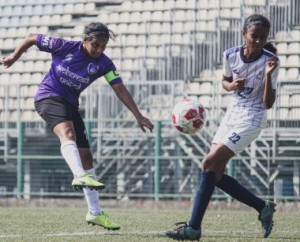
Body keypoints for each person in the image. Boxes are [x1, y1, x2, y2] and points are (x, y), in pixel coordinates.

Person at [2, 22, 154, 230]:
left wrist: (138, 115)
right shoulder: (63, 46)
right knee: (68, 133)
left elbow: (119, 89)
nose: (99, 50)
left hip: (71, 105)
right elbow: (31, 37)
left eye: (103, 46)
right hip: (48, 97)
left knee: (87, 158)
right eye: (96, 45)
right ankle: (79, 175)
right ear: (85, 40)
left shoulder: (104, 64)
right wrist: (13, 57)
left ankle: (95, 213)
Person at [165, 14, 280, 241]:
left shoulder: (271, 61)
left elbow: (267, 103)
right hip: (232, 115)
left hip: (253, 118)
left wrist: (267, 76)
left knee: (208, 163)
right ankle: (262, 207)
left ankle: (193, 229)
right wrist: (231, 85)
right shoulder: (230, 54)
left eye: (262, 37)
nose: (257, 41)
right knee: (213, 172)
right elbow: (225, 81)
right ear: (244, 34)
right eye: (254, 36)